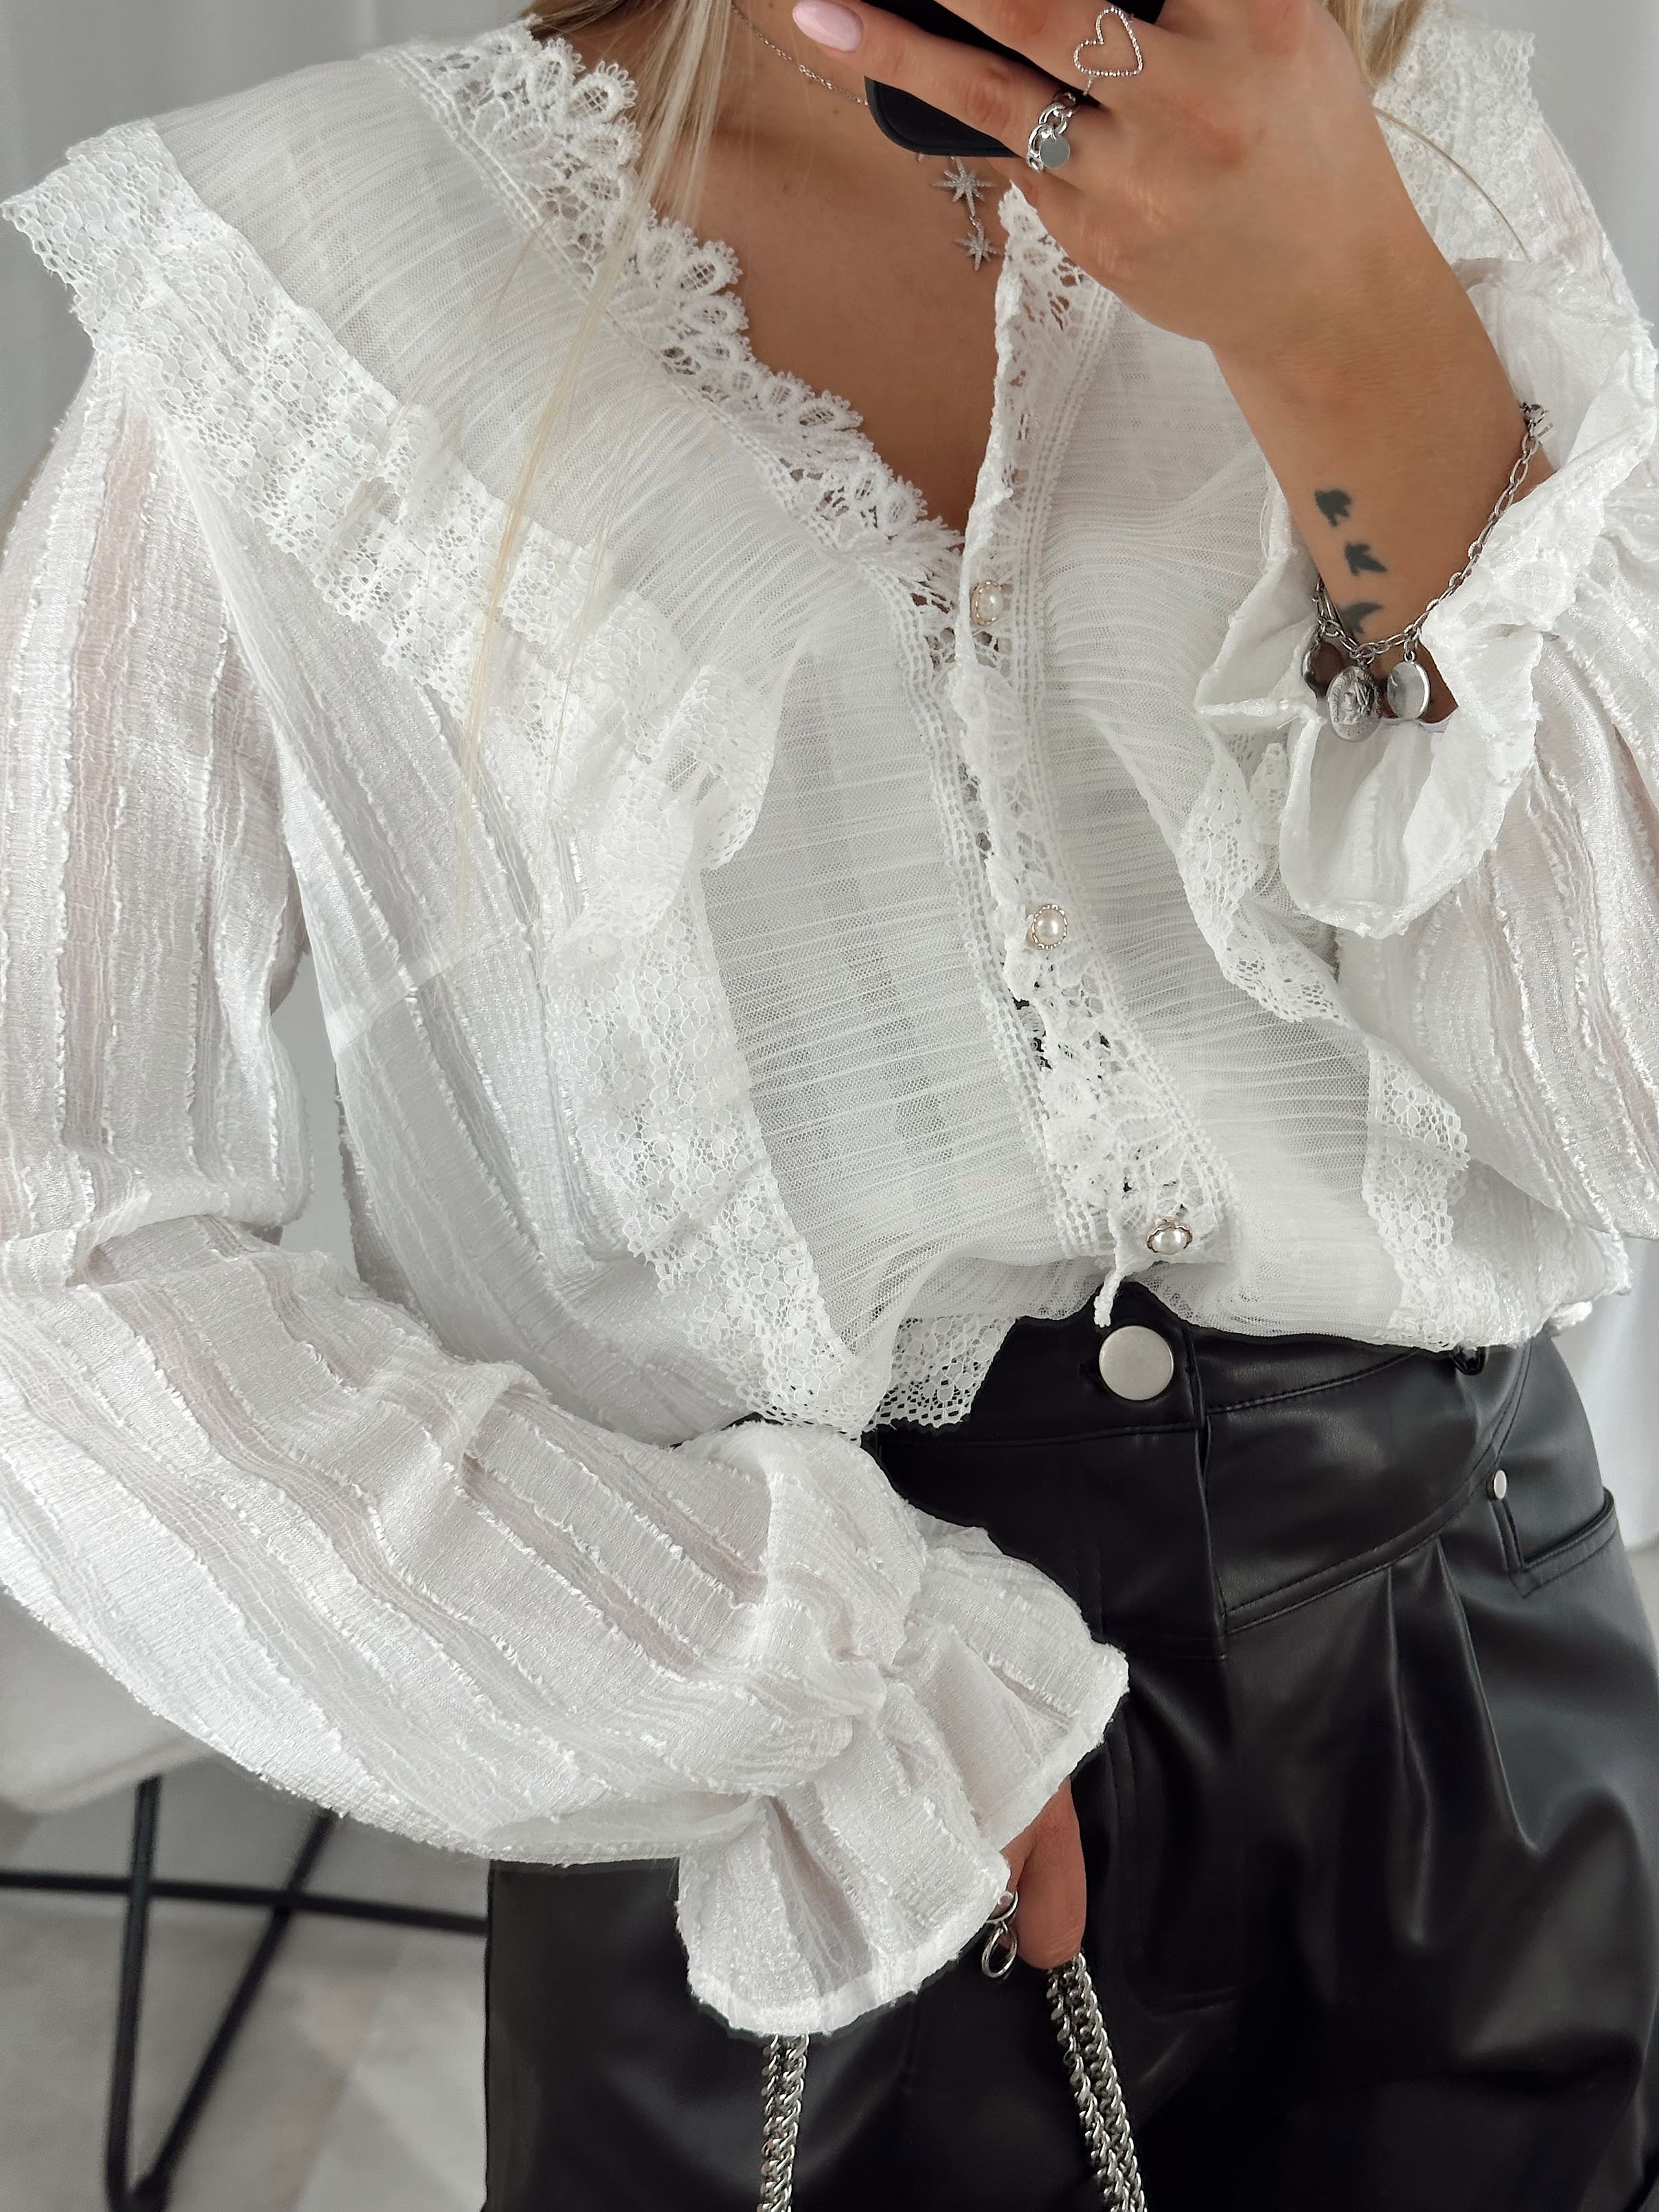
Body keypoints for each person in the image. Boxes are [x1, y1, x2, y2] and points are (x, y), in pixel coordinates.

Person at [3, 0, 1659, 2200]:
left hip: (1472, 1708)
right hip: (808, 1826)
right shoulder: (307, 270)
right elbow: (52, 1239)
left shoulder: (1414, 153)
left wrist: (1347, 326)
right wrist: (798, 1676)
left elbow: (1617, 1101)